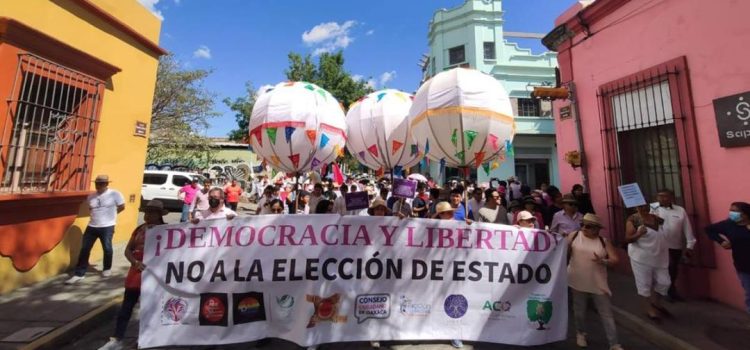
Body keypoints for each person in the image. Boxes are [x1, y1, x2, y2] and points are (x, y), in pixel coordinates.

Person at [97, 200, 167, 350]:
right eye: (146, 212)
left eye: (152, 213)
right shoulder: (139, 229)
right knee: (126, 308)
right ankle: (117, 339)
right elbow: (128, 250)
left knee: (149, 309)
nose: (148, 216)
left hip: (155, 277)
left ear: (159, 215)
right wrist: (135, 262)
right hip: (135, 274)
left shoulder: (167, 230)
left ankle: (145, 339)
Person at [567, 214, 623, 350]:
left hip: (598, 283)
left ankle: (614, 343)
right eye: (583, 225)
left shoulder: (604, 241)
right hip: (577, 280)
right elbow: (561, 250)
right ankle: (581, 334)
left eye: (589, 226)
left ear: (597, 229)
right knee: (579, 311)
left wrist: (603, 261)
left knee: (606, 314)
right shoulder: (574, 236)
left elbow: (615, 259)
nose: (584, 228)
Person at [66, 175, 125, 285]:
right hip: (92, 226)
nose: (99, 186)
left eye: (101, 183)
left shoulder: (115, 194)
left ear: (107, 184)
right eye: (97, 183)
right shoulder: (91, 196)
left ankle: (107, 268)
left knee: (107, 248)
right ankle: (79, 274)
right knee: (84, 249)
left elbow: (122, 206)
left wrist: (112, 215)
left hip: (107, 226)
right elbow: (91, 209)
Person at [625, 204, 670, 321]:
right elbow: (628, 239)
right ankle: (649, 309)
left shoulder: (656, 218)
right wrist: (639, 234)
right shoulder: (633, 220)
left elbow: (664, 228)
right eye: (640, 206)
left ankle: (656, 302)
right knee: (644, 284)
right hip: (641, 258)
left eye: (645, 205)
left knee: (664, 282)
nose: (643, 208)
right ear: (636, 207)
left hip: (660, 257)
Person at [705, 202, 750, 314]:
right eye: (731, 210)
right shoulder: (728, 225)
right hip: (743, 265)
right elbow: (709, 229)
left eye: (735, 211)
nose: (731, 213)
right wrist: (721, 241)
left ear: (745, 214)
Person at [651, 189, 695, 301]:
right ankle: (664, 292)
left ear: (671, 197)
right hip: (659, 245)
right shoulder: (653, 208)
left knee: (673, 269)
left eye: (665, 196)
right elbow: (650, 226)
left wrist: (690, 245)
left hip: (675, 246)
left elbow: (687, 228)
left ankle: (670, 290)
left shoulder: (680, 210)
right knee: (665, 268)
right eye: (660, 196)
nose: (662, 199)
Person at [431, 200, 464, 348]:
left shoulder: (460, 224)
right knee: (436, 299)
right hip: (435, 269)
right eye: (448, 212)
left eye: (452, 212)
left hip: (455, 268)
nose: (451, 214)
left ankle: (454, 333)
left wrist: (471, 225)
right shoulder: (430, 226)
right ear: (440, 215)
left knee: (454, 299)